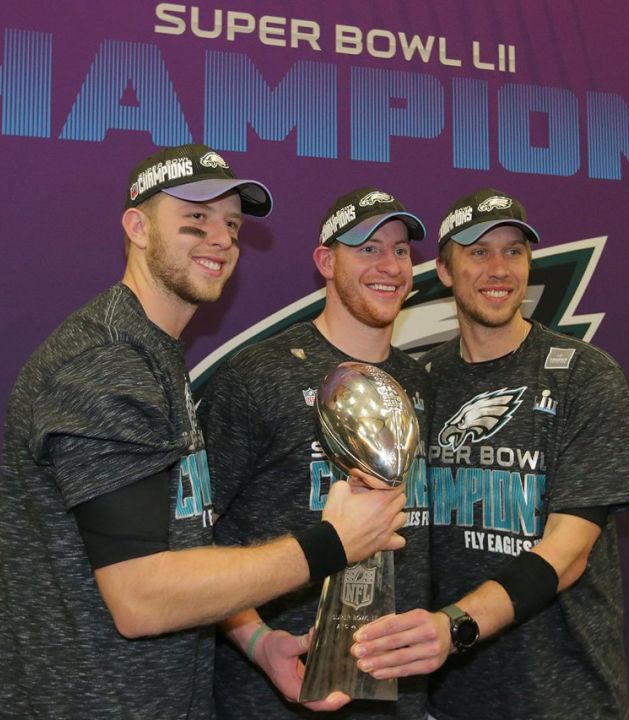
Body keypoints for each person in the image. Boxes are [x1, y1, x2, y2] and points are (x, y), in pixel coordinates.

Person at [0, 146, 409, 720]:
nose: (222, 238)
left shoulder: (153, 353)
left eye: (231, 224)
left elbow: (183, 543)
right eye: (195, 220)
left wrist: (258, 642)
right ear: (137, 227)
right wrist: (333, 543)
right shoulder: (107, 364)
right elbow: (142, 597)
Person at [348, 188, 629, 719]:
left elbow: (569, 552)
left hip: (564, 698)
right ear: (443, 270)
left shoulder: (585, 375)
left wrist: (457, 626)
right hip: (446, 699)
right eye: (479, 252)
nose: (500, 269)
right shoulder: (420, 385)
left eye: (514, 251)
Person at [198, 187, 433, 719]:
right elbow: (196, 534)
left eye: (400, 250)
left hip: (398, 693)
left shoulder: (419, 383)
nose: (390, 265)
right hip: (277, 690)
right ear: (326, 261)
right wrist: (256, 640)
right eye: (368, 248)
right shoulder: (258, 375)